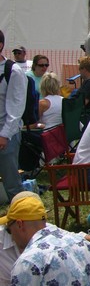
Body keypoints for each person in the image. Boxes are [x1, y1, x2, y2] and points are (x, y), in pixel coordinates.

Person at [0, 191, 90, 286]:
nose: (12, 236)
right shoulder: (83, 244)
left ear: (19, 224)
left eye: (10, 227)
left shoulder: (27, 262)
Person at [0, 29, 25, 201]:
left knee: (11, 183)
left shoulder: (13, 71)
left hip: (5, 133)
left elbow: (16, 106)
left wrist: (4, 135)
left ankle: (22, 219)